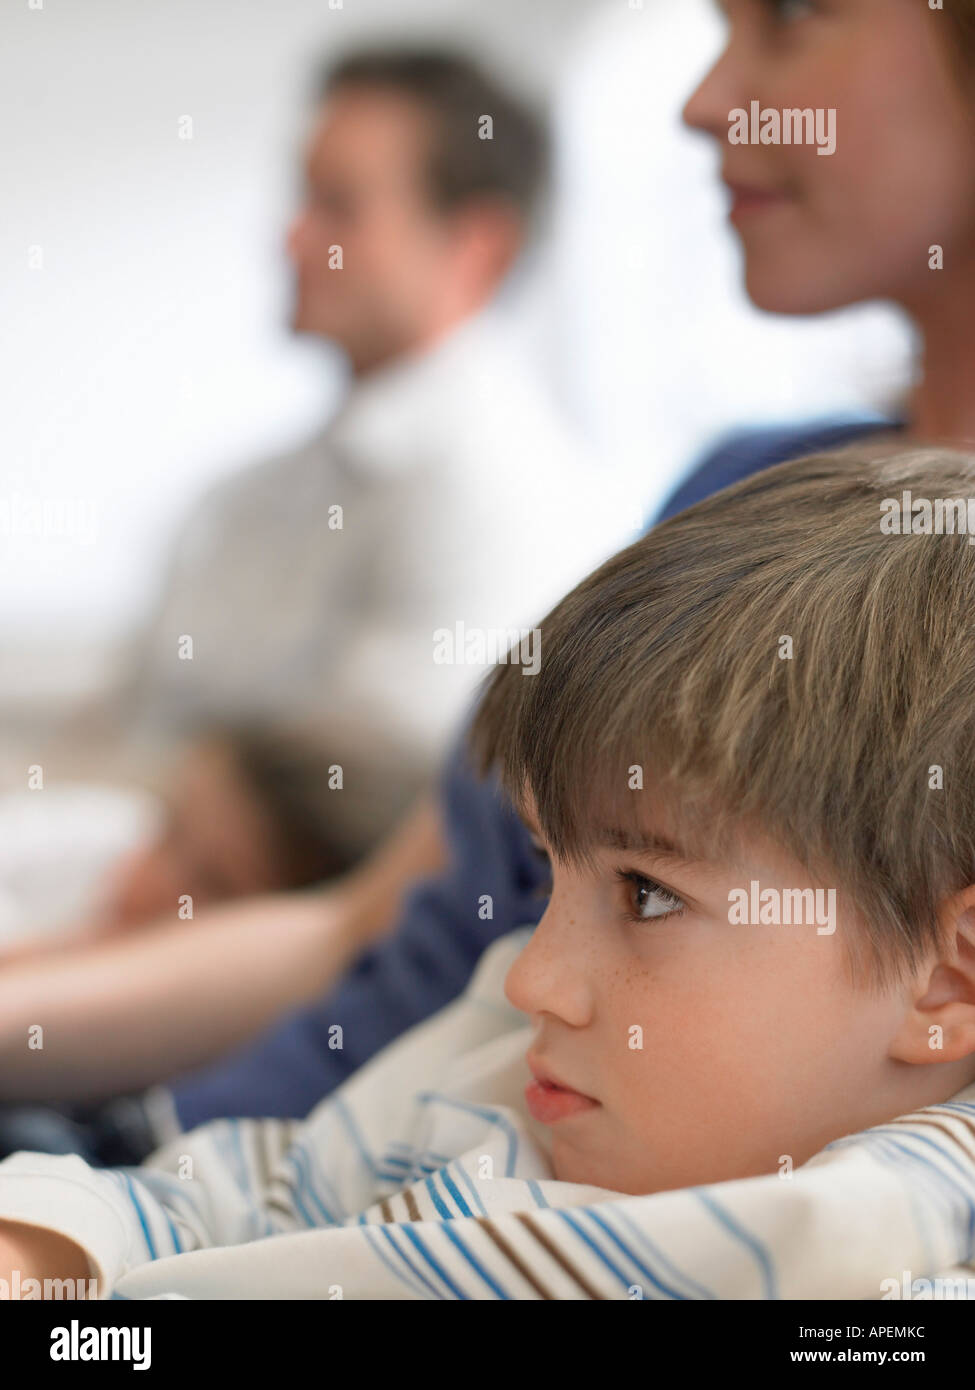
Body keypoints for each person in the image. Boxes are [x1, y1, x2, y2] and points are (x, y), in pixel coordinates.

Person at [0, 0, 970, 1141]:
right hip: (227, 1147)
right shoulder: (742, 487)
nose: (706, 102)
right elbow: (364, 935)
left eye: (794, 17)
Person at [4, 446, 975, 1299]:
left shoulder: (906, 1233)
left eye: (648, 894)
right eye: (552, 869)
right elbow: (230, 1195)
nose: (529, 976)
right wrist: (38, 1251)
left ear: (949, 976)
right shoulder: (495, 1069)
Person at [3, 44, 634, 939]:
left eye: (338, 207)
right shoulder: (245, 496)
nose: (292, 239)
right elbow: (124, 727)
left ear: (476, 248)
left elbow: (331, 824)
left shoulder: (510, 501)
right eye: (302, 199)